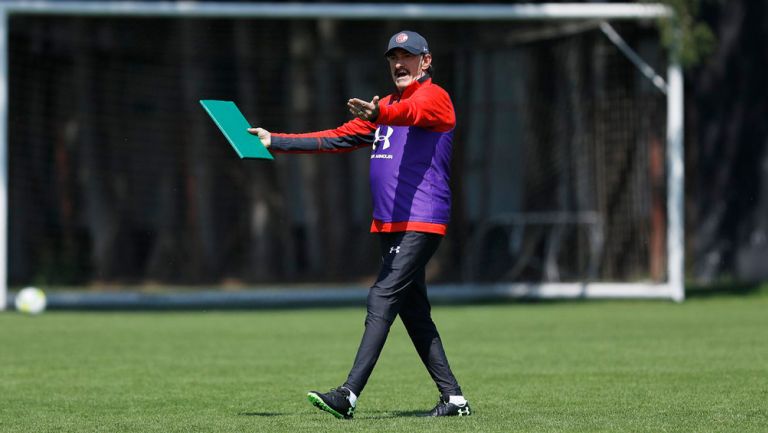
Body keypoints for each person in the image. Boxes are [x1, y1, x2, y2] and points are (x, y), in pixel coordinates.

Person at [248, 30, 471, 419]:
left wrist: (380, 113)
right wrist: (275, 140)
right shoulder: (384, 106)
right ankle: (454, 400)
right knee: (414, 312)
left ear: (426, 61)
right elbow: (336, 138)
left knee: (381, 296)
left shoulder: (433, 98)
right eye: (393, 58)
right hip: (390, 225)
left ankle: (348, 395)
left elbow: (411, 113)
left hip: (422, 219)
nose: (399, 64)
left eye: (408, 56)